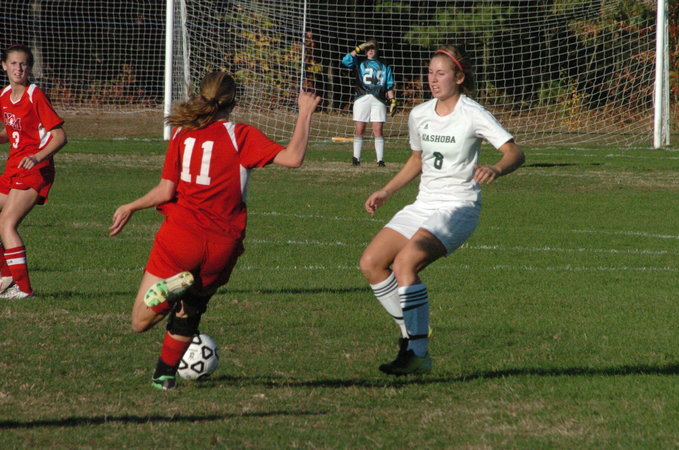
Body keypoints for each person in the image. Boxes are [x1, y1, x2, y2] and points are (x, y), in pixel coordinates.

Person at [109, 71, 321, 390]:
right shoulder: (241, 135)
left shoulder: (183, 133)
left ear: (200, 96)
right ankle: (164, 376)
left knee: (140, 321)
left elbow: (166, 191)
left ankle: (167, 296)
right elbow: (293, 158)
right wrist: (304, 113)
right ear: (234, 102)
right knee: (193, 308)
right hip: (222, 245)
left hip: (181, 237)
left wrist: (131, 206)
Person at [359, 45, 525, 376]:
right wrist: (387, 191)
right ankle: (412, 334)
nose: (433, 80)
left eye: (441, 74)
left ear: (459, 78)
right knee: (371, 263)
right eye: (430, 73)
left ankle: (417, 353)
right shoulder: (419, 114)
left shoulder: (472, 113)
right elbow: (417, 159)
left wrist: (496, 168)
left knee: (405, 263)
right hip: (424, 203)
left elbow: (515, 153)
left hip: (458, 206)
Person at [0, 44, 67, 299]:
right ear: (4, 66)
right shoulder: (4, 96)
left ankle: (24, 289)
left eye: (23, 64)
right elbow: (12, 130)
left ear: (29, 68)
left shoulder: (34, 95)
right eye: (13, 63)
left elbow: (60, 136)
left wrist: (37, 156)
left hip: (36, 169)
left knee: (6, 223)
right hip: (14, 168)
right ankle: (7, 275)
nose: (18, 68)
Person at [341, 40, 396, 167]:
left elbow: (389, 84)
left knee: (378, 129)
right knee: (360, 128)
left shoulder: (384, 64)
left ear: (377, 49)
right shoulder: (359, 62)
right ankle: (356, 158)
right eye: (368, 48)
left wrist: (393, 100)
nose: (370, 51)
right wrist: (358, 49)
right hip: (362, 97)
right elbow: (345, 61)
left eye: (373, 48)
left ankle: (380, 160)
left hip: (379, 99)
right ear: (365, 51)